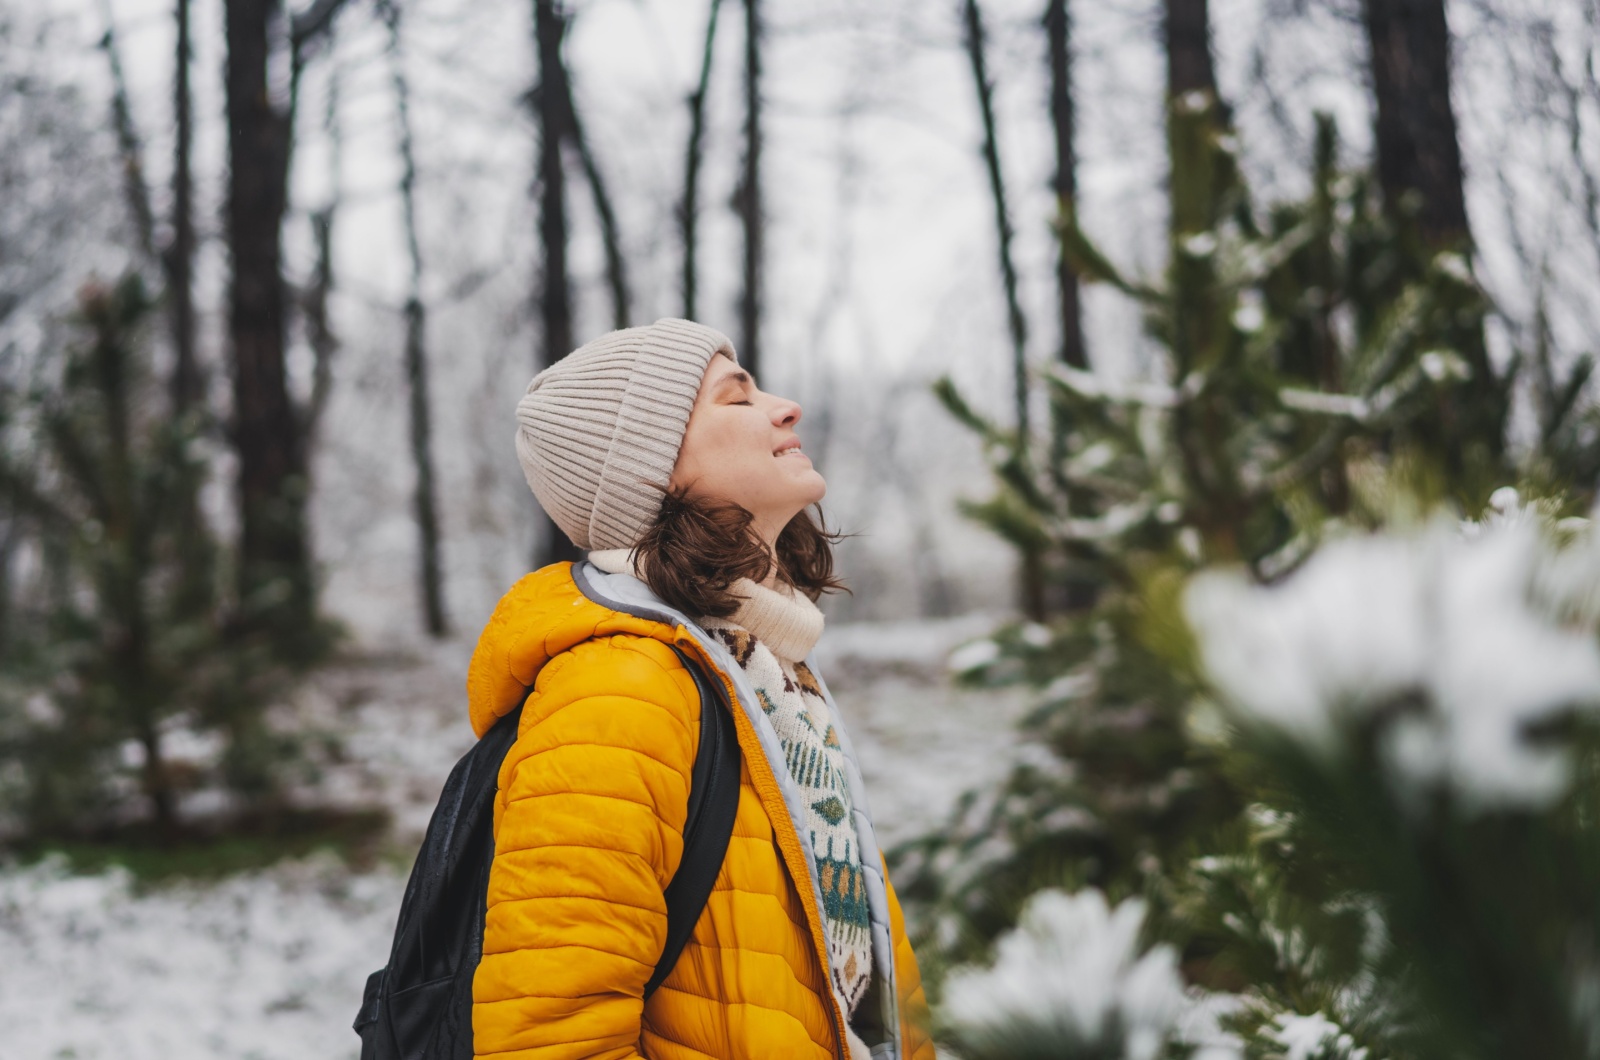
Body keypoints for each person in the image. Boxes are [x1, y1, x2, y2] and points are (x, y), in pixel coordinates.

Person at [466, 318, 936, 1060]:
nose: (785, 408)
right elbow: (550, 1036)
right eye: (735, 399)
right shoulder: (618, 689)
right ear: (653, 471)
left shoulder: (761, 670)